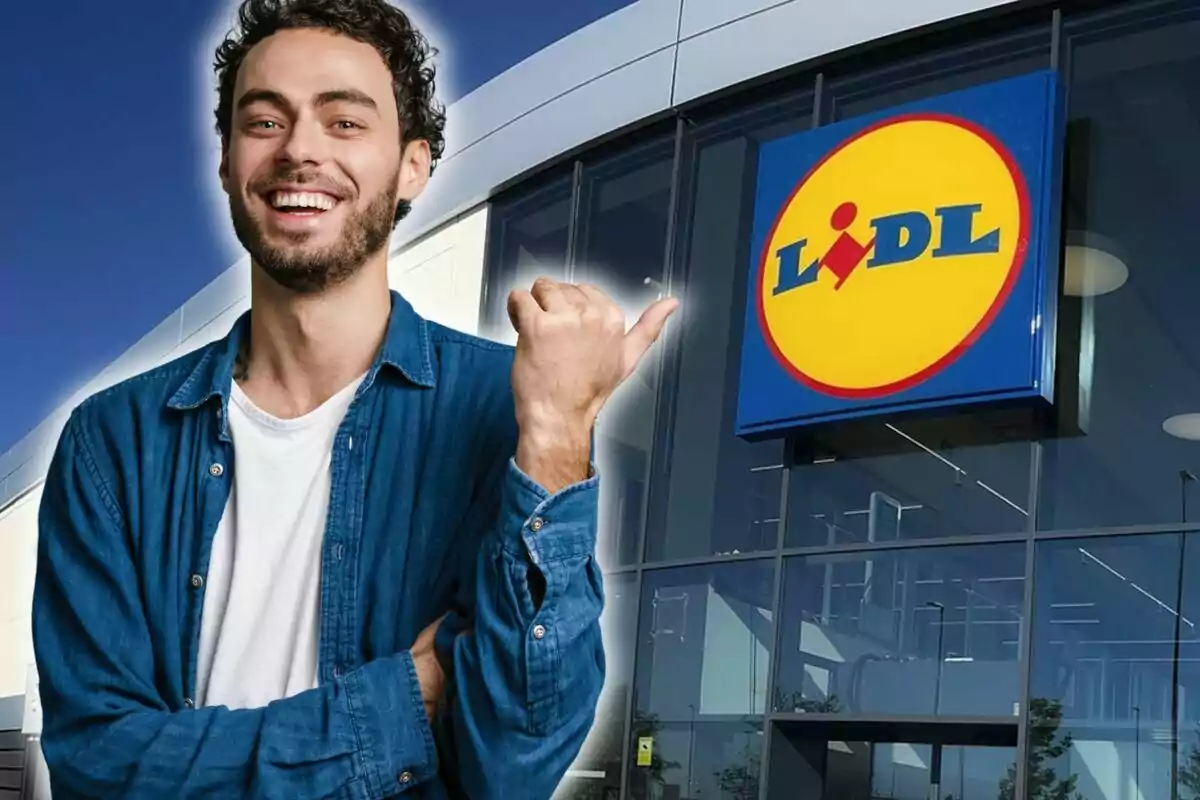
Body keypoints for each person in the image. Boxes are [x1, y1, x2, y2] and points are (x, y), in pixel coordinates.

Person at [30, 0, 678, 797]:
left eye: (344, 122)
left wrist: (555, 433)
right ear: (227, 162)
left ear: (414, 165)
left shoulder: (500, 410)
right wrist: (402, 703)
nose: (300, 151)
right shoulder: (115, 440)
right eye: (264, 122)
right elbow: (98, 766)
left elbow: (514, 762)